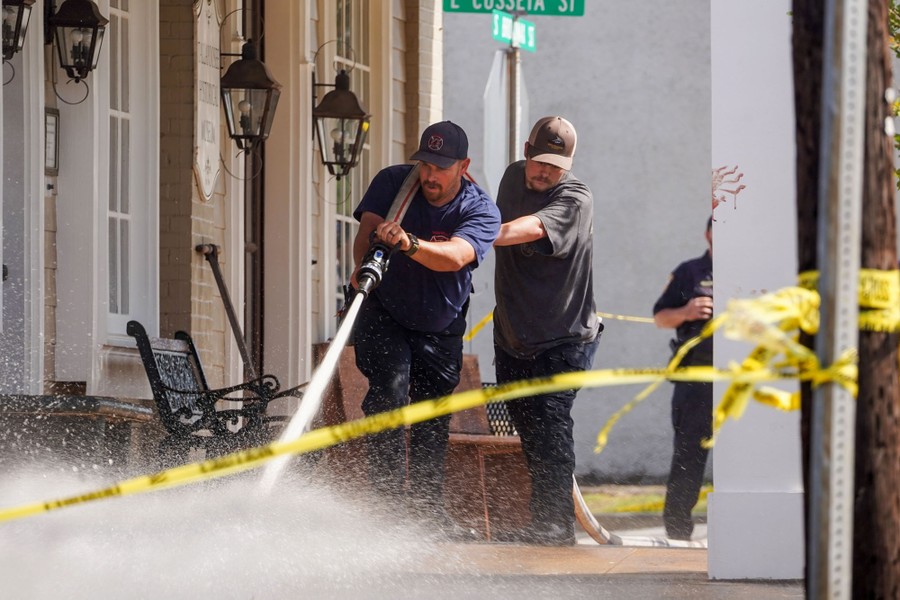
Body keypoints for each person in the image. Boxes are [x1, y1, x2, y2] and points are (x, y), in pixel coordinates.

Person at [350, 121, 501, 538]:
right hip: (385, 310)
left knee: (431, 415)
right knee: (390, 395)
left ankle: (425, 510)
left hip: (440, 322)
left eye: (441, 167)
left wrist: (409, 244)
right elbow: (367, 231)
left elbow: (454, 257)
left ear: (463, 166)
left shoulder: (481, 209)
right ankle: (384, 510)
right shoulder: (394, 182)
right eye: (426, 164)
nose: (430, 175)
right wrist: (363, 263)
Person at [491, 116, 602, 546]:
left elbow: (532, 228)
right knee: (529, 428)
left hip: (566, 337)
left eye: (556, 166)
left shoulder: (576, 197)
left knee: (552, 426)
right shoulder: (511, 178)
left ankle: (555, 528)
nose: (545, 172)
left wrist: (481, 235)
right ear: (525, 151)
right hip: (514, 336)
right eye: (540, 162)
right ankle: (542, 521)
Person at [652, 216, 714, 541]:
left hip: (744, 379)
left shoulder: (753, 270)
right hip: (696, 380)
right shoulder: (690, 272)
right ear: (707, 233)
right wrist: (687, 312)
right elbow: (660, 317)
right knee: (689, 454)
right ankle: (677, 529)